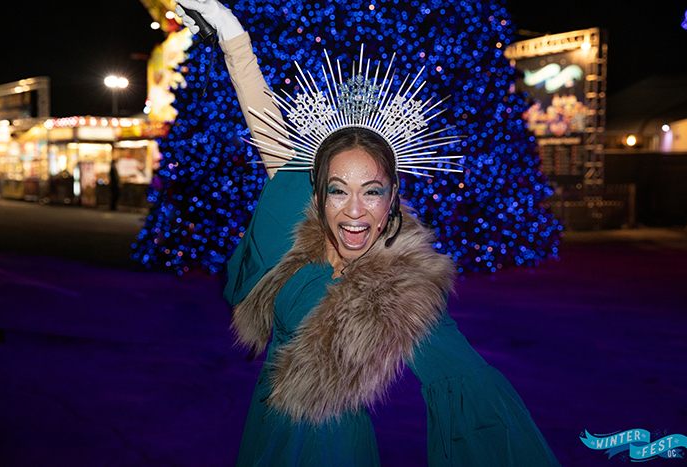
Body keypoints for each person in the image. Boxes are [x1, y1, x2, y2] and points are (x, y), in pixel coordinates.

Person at [176, 1, 562, 466]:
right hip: (266, 438)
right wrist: (230, 32)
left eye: (372, 191)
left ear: (393, 196)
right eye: (339, 190)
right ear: (317, 195)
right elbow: (268, 128)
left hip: (333, 450)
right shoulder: (297, 232)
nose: (354, 211)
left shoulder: (401, 292)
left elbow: (472, 393)